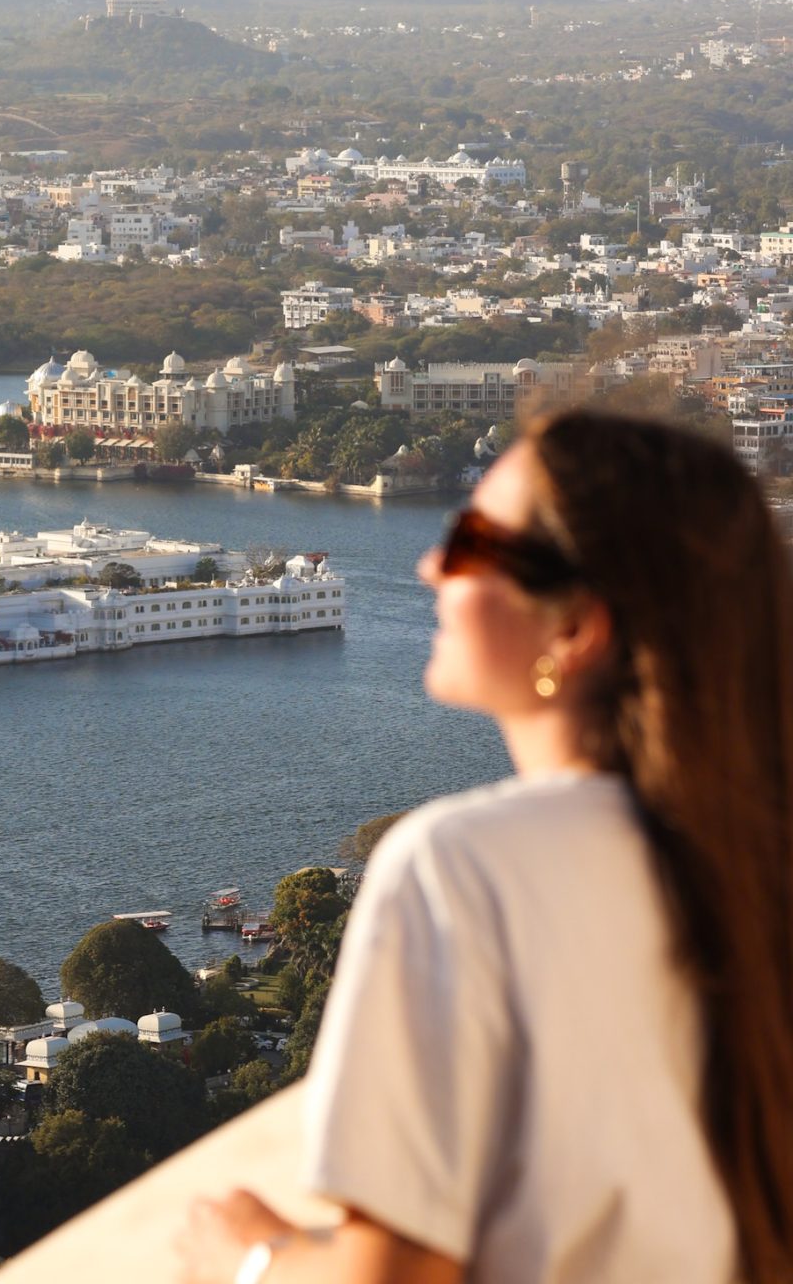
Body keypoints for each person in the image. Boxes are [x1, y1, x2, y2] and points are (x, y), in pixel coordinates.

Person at [178, 409, 793, 1284]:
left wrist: (250, 1258)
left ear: (577, 630)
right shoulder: (751, 854)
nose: (430, 566)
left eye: (471, 539)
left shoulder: (460, 868)